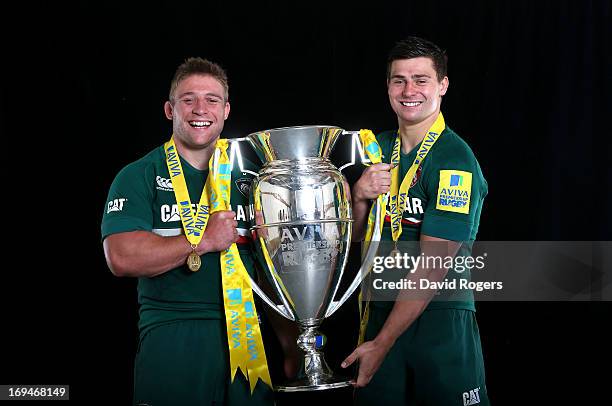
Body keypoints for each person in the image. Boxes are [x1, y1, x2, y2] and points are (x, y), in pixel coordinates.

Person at [101, 57, 294, 405]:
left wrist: (291, 344)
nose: (199, 109)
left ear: (226, 110)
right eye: (188, 99)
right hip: (174, 336)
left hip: (248, 339)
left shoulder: (253, 181)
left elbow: (268, 274)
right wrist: (201, 240)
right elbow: (121, 257)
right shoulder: (138, 175)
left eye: (212, 99)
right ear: (169, 109)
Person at [342, 37, 490, 405]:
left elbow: (434, 266)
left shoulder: (454, 159)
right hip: (378, 312)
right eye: (399, 80)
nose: (409, 90)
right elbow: (358, 238)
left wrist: (382, 343)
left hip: (438, 319)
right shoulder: (376, 146)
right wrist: (358, 196)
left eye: (421, 80)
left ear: (442, 85)